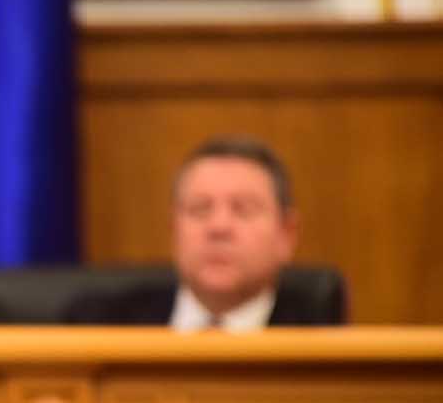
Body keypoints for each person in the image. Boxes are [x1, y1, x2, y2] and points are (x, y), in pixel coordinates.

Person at [65, 137, 340, 329]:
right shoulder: (102, 325)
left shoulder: (326, 350)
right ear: (174, 229)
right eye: (199, 209)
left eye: (243, 210)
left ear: (287, 234)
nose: (218, 227)